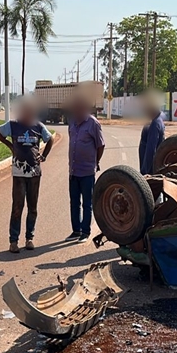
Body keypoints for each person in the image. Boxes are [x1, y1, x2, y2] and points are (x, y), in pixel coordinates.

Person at [0, 96, 54, 253]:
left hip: (34, 173)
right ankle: (13, 241)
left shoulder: (38, 126)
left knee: (32, 208)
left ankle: (29, 238)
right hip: (19, 173)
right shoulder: (13, 125)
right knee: (17, 207)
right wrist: (10, 146)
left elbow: (50, 139)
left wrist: (44, 156)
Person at [66, 94, 105, 243]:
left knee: (87, 203)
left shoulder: (93, 124)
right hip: (73, 170)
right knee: (74, 201)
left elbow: (100, 145)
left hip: (87, 171)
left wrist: (95, 162)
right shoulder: (72, 122)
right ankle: (76, 230)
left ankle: (85, 232)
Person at [138, 94, 165, 175]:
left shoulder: (155, 125)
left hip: (150, 170)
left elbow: (151, 150)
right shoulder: (158, 120)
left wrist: (144, 172)